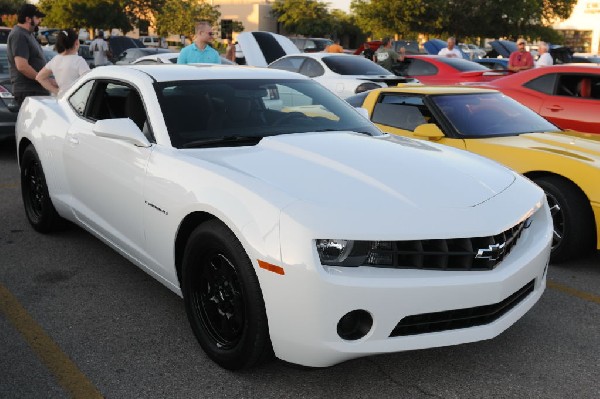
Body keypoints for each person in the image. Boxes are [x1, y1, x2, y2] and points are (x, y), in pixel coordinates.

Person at [6, 4, 49, 105]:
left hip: (35, 90)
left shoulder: (28, 34)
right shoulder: (19, 35)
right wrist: (42, 79)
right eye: (37, 18)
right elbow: (22, 66)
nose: (39, 21)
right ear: (28, 19)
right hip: (28, 91)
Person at [36, 29, 90, 96]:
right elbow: (89, 82)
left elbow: (39, 77)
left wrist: (56, 91)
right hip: (75, 99)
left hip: (60, 98)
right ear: (76, 42)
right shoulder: (79, 61)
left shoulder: (55, 60)